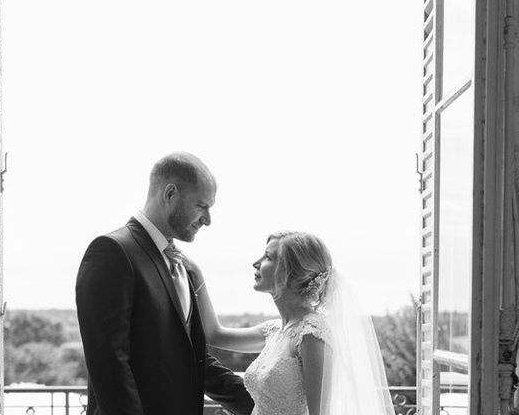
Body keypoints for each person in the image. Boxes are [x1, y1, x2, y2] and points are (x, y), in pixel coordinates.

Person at [75, 152, 254, 415]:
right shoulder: (112, 252)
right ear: (170, 194)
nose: (208, 220)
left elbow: (191, 359)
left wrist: (264, 405)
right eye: (201, 206)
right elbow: (109, 365)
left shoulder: (182, 265)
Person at [185, 231, 395, 415]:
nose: (256, 263)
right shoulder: (275, 330)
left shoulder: (312, 334)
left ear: (290, 271)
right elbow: (214, 335)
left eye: (268, 257)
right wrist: (197, 275)